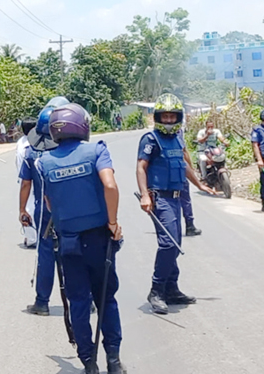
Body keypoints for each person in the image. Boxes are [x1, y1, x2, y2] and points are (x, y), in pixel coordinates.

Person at [39, 103, 126, 374]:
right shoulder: (96, 150)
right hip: (99, 241)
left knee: (78, 302)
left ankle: (89, 363)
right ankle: (113, 359)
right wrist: (112, 223)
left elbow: (50, 204)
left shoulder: (44, 162)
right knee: (106, 300)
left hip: (69, 244)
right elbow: (110, 185)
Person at [137, 94, 215, 315]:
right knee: (168, 243)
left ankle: (171, 288)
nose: (169, 120)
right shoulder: (150, 139)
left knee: (175, 243)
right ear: (158, 117)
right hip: (159, 197)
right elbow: (141, 167)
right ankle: (156, 290)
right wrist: (145, 195)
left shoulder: (178, 137)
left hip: (175, 196)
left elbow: (182, 163)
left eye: (173, 116)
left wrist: (199, 184)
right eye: (165, 116)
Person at [19, 98, 68, 315]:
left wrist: (22, 210)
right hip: (69, 212)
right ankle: (85, 299)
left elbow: (26, 183)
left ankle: (42, 302)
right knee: (73, 254)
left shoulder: (31, 153)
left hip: (44, 214)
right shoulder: (69, 153)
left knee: (46, 256)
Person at [15, 117, 38, 248]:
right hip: (29, 179)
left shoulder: (21, 142)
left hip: (24, 177)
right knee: (29, 208)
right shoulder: (30, 145)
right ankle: (32, 238)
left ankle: (32, 236)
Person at [178, 128, 202, 237]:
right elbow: (184, 152)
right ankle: (189, 226)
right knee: (185, 200)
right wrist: (190, 170)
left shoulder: (154, 136)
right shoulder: (177, 132)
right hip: (179, 172)